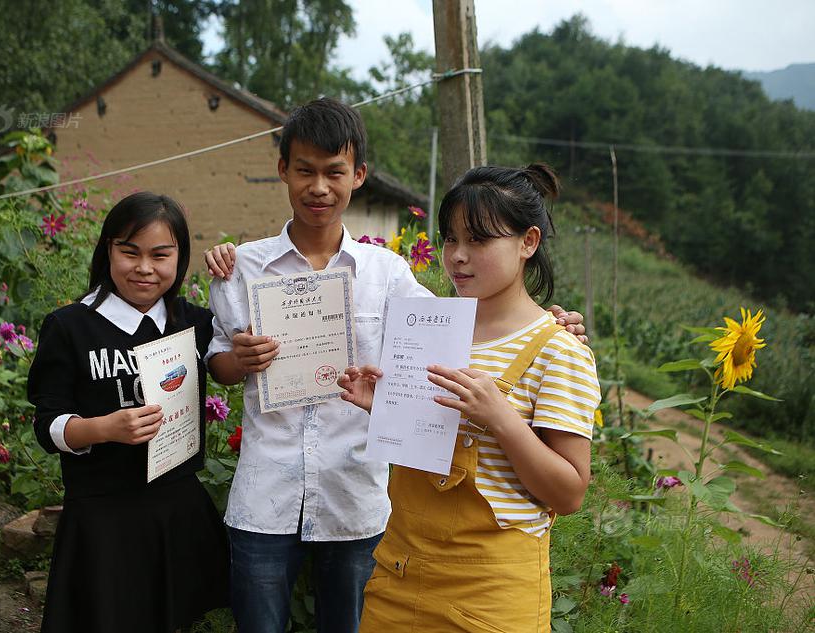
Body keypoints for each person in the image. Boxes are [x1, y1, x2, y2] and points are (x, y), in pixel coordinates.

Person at [202, 97, 586, 633]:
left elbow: (458, 331)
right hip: (267, 488)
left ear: (358, 175)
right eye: (305, 171)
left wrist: (552, 326)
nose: (319, 187)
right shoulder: (241, 265)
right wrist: (236, 362)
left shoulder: (388, 273)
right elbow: (215, 359)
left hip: (356, 492)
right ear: (282, 169)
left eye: (334, 172)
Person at [339, 164, 601, 632]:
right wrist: (386, 404)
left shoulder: (558, 350)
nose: (458, 256)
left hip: (490, 598)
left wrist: (501, 418)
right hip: (398, 578)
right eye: (449, 239)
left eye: (478, 240)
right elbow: (428, 447)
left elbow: (569, 491)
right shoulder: (431, 331)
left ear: (528, 242)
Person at [27, 192, 229, 633]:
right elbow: (47, 426)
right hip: (103, 515)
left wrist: (232, 271)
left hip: (175, 507)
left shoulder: (192, 322)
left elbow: (233, 354)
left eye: (161, 255)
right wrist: (102, 428)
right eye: (129, 252)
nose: (144, 268)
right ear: (107, 251)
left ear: (180, 258)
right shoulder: (69, 326)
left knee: (173, 618)